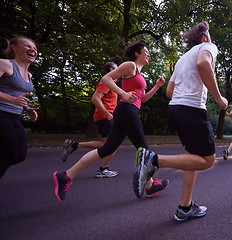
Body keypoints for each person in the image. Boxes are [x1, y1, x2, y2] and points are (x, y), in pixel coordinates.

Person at [132, 21, 228, 223]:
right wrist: (219, 99)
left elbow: (169, 91)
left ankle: (185, 207)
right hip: (192, 110)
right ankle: (153, 160)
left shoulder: (182, 59)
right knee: (207, 160)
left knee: (194, 157)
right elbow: (203, 64)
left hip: (176, 109)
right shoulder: (208, 47)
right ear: (204, 37)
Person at [53, 40, 169, 201]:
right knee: (144, 150)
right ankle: (149, 185)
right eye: (146, 51)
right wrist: (122, 93)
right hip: (126, 110)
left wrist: (156, 87)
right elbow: (106, 78)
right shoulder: (130, 66)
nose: (149, 54)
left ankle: (65, 176)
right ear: (137, 53)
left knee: (107, 149)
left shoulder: (139, 74)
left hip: (128, 111)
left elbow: (142, 99)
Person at [61, 62, 119, 178]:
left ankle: (74, 145)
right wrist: (107, 114)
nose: (120, 71)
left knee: (105, 144)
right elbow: (95, 98)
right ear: (111, 69)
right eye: (117, 68)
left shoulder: (111, 83)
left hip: (105, 116)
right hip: (105, 117)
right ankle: (103, 169)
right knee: (112, 145)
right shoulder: (107, 81)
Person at [0, 36, 38, 179]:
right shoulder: (5, 64)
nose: (32, 50)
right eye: (27, 46)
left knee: (20, 155)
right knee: (10, 152)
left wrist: (27, 108)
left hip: (14, 116)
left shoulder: (29, 74)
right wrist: (12, 100)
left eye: (34, 48)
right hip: (1, 113)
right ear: (14, 47)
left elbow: (19, 96)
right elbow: (14, 98)